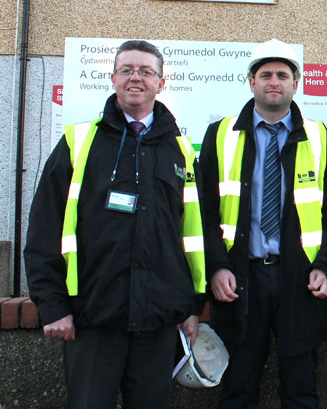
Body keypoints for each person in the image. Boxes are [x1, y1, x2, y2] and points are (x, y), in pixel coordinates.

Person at [24, 39, 206, 408]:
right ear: (113, 78)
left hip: (157, 319)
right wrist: (52, 304)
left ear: (161, 82)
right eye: (127, 70)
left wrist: (192, 304)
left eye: (145, 71)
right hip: (92, 316)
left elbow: (193, 234)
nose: (135, 78)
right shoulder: (78, 142)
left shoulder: (181, 150)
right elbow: (44, 228)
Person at [200, 39, 327, 408]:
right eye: (265, 74)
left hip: (300, 280)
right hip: (239, 280)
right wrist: (216, 267)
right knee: (238, 387)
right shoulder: (219, 136)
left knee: (301, 389)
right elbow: (203, 211)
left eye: (283, 74)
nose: (274, 81)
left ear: (295, 84)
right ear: (251, 82)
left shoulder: (322, 139)